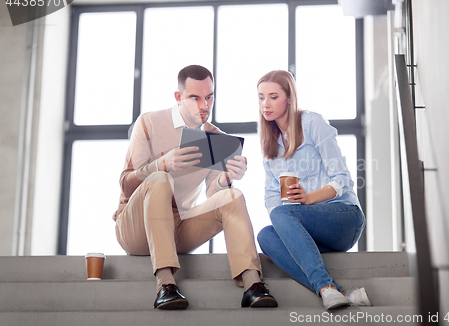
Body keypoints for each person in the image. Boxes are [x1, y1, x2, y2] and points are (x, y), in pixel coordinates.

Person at [113, 65, 277, 310]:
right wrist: (161, 164)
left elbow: (214, 193)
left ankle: (253, 285)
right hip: (136, 229)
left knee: (233, 196)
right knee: (160, 179)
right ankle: (165, 285)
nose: (204, 106)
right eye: (195, 98)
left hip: (179, 228)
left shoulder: (214, 137)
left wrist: (226, 179)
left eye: (209, 97)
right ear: (179, 97)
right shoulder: (150, 123)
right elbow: (126, 184)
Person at [255, 70, 370, 310]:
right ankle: (337, 292)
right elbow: (271, 196)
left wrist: (308, 198)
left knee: (280, 215)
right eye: (261, 97)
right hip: (309, 227)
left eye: (273, 97)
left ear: (289, 98)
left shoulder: (312, 122)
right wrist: (285, 230)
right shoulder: (270, 143)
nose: (265, 104)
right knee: (266, 235)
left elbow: (343, 180)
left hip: (344, 217)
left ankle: (327, 287)